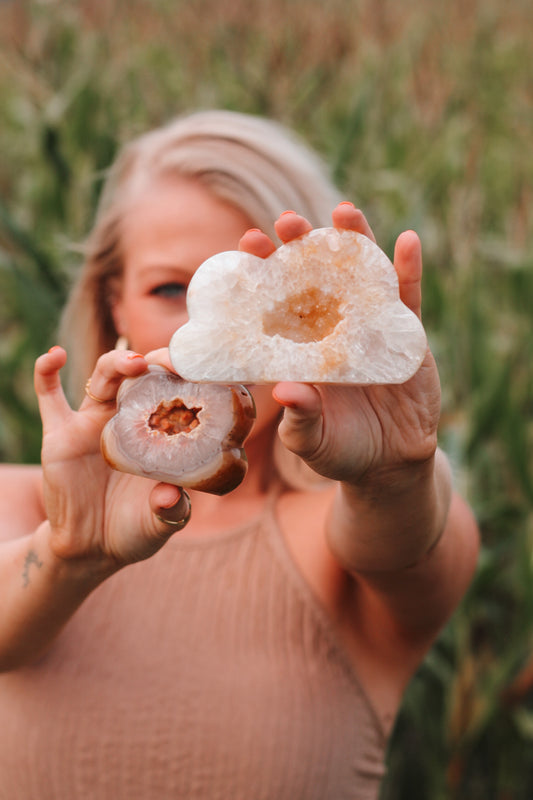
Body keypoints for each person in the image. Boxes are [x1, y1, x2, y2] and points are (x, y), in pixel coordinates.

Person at [0, 109, 479, 800]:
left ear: (327, 309)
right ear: (113, 303)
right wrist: (71, 553)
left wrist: (394, 476)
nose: (209, 329)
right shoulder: (22, 506)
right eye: (171, 289)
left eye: (257, 292)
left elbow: (409, 545)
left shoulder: (340, 540)